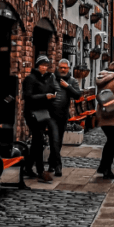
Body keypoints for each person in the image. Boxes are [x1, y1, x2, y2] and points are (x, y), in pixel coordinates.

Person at [21, 54, 60, 183]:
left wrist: (53, 93)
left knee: (37, 142)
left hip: (43, 113)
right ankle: (40, 171)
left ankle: (27, 167)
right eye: (42, 65)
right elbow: (28, 96)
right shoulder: (30, 79)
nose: (44, 68)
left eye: (46, 66)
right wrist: (45, 96)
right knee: (38, 140)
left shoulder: (48, 78)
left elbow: (54, 89)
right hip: (32, 113)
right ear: (37, 65)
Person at [48, 59, 85, 177]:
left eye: (65, 68)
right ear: (57, 67)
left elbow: (78, 95)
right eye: (61, 67)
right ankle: (58, 166)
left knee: (57, 141)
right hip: (51, 115)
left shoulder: (72, 81)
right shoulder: (51, 79)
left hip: (63, 115)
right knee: (54, 140)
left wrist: (67, 86)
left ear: (69, 68)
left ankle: (51, 162)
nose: (63, 69)